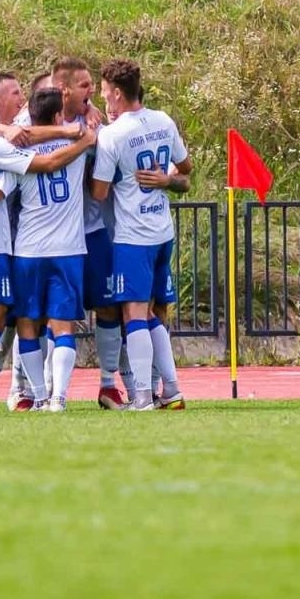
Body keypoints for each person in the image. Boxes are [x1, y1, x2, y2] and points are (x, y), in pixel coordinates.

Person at [0, 82, 96, 413]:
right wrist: (82, 138)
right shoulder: (2, 151)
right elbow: (46, 165)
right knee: (1, 322)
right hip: (9, 245)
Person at [90, 59, 192, 411]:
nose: (104, 101)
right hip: (163, 230)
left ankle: (144, 398)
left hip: (133, 237)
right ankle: (173, 391)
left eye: (105, 94)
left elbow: (100, 193)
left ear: (117, 93)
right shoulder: (162, 120)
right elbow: (186, 168)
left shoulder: (113, 135)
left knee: (133, 314)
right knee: (151, 314)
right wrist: (165, 180)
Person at [53, 56, 130, 411]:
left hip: (93, 231)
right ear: (62, 89)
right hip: (52, 239)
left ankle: (108, 385)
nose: (90, 91)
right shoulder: (37, 123)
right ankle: (33, 390)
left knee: (109, 307)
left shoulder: (93, 124)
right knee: (44, 314)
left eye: (92, 86)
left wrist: (91, 113)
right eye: (84, 85)